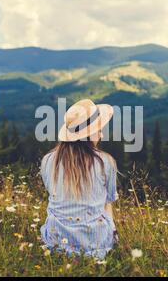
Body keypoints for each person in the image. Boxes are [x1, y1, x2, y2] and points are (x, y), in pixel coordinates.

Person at [40, 99, 118, 259]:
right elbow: (109, 200)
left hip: (55, 245)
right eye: (98, 129)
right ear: (88, 135)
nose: (101, 134)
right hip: (97, 247)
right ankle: (105, 237)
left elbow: (52, 194)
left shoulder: (48, 161)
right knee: (106, 203)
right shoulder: (105, 162)